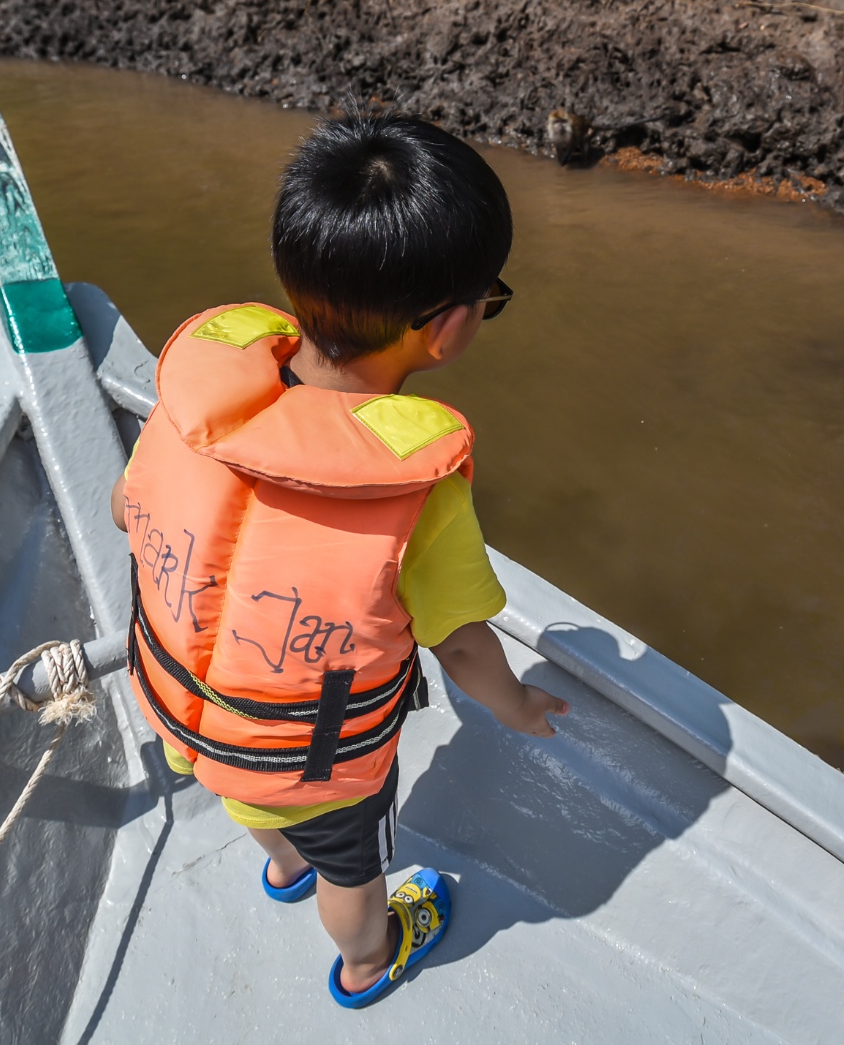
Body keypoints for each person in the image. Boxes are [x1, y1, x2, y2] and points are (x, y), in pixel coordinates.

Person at [109, 112, 568, 1008]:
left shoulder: (193, 407)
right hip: (317, 770)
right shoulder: (418, 491)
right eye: (491, 298)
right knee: (352, 875)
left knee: (257, 810)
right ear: (447, 329)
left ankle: (280, 869)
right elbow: (466, 645)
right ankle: (370, 959)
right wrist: (517, 707)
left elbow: (129, 505)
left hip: (188, 722)